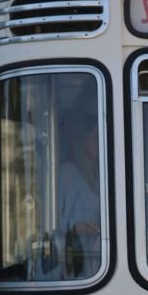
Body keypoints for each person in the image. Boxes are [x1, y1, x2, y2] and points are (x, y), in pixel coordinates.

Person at [59, 110, 102, 278]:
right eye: (96, 138)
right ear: (82, 140)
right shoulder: (68, 173)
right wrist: (93, 228)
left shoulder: (98, 174)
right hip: (73, 257)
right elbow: (59, 223)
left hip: (95, 256)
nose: (101, 144)